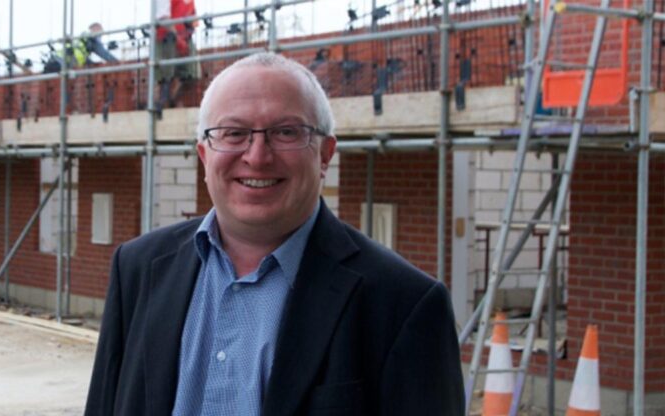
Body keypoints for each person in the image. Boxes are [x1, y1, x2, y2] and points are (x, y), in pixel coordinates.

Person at [85, 52, 464, 415]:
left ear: (325, 154)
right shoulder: (137, 268)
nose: (258, 155)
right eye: (233, 133)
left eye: (286, 132)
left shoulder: (403, 304)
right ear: (204, 155)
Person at [154, 0, 200, 112]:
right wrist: (177, 38)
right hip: (166, 36)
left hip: (185, 36)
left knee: (192, 74)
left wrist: (191, 26)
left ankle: (172, 101)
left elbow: (192, 16)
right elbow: (163, 18)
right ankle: (161, 105)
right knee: (166, 77)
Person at [43, 22, 118, 73]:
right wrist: (119, 63)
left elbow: (81, 54)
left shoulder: (82, 39)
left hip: (55, 61)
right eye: (101, 32)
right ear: (97, 30)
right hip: (61, 64)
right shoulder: (93, 40)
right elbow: (105, 55)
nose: (101, 36)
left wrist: (92, 64)